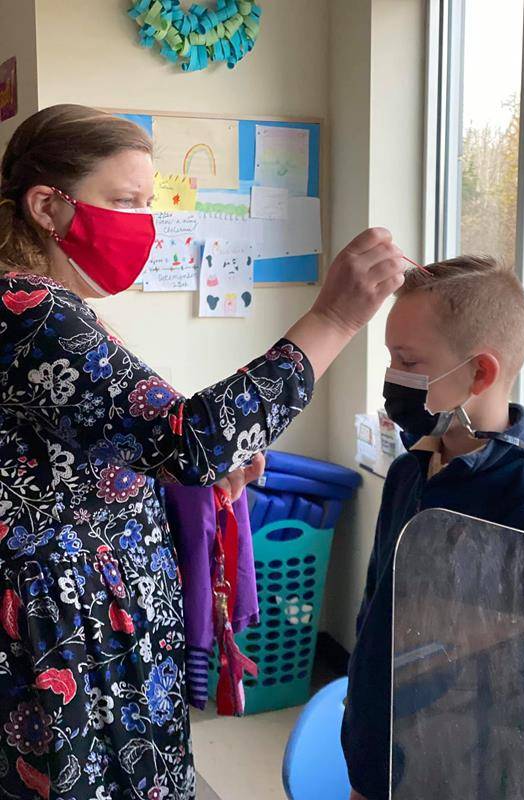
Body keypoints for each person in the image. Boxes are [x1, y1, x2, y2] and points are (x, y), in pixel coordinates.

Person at [0, 104, 407, 800]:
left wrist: (187, 470)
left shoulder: (50, 302)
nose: (144, 222)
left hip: (88, 610)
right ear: (47, 206)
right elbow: (187, 439)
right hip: (68, 630)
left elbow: (109, 446)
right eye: (124, 202)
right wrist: (334, 318)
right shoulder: (31, 308)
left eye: (147, 201)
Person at [342, 256, 524, 800]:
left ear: (480, 372)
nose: (393, 378)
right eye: (391, 359)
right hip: (380, 758)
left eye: (409, 361)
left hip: (465, 775)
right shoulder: (409, 470)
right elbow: (377, 605)